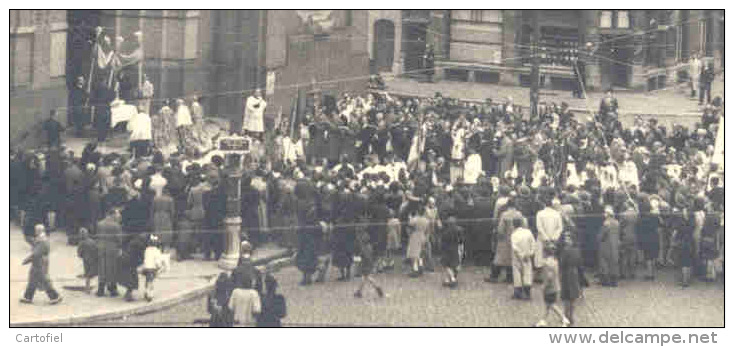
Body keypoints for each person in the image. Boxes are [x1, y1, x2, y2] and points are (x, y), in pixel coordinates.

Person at [20, 224, 63, 305]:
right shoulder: (42, 239)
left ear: (39, 231)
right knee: (33, 279)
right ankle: (28, 297)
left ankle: (55, 296)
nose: (35, 232)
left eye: (36, 230)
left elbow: (36, 254)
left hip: (40, 263)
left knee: (43, 280)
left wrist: (26, 260)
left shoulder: (42, 241)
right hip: (39, 262)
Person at [534, 240, 570, 327]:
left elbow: (549, 277)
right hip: (556, 286)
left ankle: (564, 319)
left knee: (551, 304)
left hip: (550, 288)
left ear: (545, 253)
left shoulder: (546, 263)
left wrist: (544, 286)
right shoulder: (555, 261)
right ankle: (543, 320)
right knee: (547, 304)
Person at [558, 230, 581, 326]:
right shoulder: (576, 250)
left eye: (568, 238)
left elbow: (562, 263)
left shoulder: (566, 250)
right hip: (572, 274)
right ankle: (569, 316)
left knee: (568, 298)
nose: (566, 240)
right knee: (571, 298)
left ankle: (568, 316)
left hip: (568, 274)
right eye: (566, 238)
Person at [354, 231, 385, 299]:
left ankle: (378, 288)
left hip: (365, 263)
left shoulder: (365, 247)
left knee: (366, 277)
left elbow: (363, 255)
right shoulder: (368, 246)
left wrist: (359, 260)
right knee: (365, 278)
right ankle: (359, 291)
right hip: (368, 263)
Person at [511, 217, 535, 300]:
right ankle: (528, 292)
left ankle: (518, 292)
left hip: (517, 258)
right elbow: (533, 244)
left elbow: (515, 248)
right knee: (527, 273)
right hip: (527, 257)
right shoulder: (528, 232)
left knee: (517, 274)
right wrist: (529, 254)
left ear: (513, 225)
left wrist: (520, 257)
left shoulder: (514, 234)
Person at [597, 205, 620, 286]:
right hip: (615, 244)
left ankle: (606, 281)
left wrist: (598, 239)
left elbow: (601, 236)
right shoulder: (617, 222)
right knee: (614, 262)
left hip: (606, 245)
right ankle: (614, 281)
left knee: (605, 263)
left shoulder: (606, 223)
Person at [141, 234, 166, 301]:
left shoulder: (146, 250)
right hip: (152, 268)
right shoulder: (156, 251)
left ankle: (146, 291)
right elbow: (157, 261)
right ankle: (150, 295)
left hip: (146, 268)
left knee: (147, 280)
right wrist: (160, 267)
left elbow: (145, 258)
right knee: (151, 281)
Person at [441, 217, 463, 288]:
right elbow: (461, 241)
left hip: (447, 250)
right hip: (456, 249)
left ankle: (453, 280)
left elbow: (443, 242)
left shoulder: (446, 232)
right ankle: (448, 280)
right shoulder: (459, 230)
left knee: (447, 265)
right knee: (454, 265)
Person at [76, 227, 98, 293]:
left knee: (87, 275)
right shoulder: (92, 241)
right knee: (97, 273)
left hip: (86, 260)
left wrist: (82, 255)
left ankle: (87, 289)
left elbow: (79, 253)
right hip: (94, 259)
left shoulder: (81, 243)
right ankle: (99, 287)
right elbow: (96, 250)